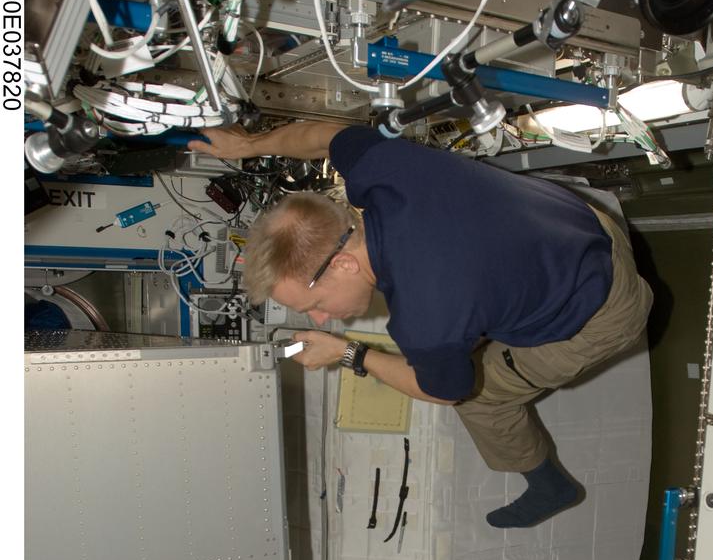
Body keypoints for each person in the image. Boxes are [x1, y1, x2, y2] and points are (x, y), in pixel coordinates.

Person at [191, 120, 653, 528]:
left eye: (315, 304)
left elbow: (444, 390)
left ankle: (550, 485)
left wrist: (347, 351)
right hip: (578, 225)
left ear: (343, 264)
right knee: (461, 326)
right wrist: (248, 145)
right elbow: (323, 135)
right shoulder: (382, 168)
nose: (320, 317)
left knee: (480, 398)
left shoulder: (424, 316)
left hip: (602, 309)